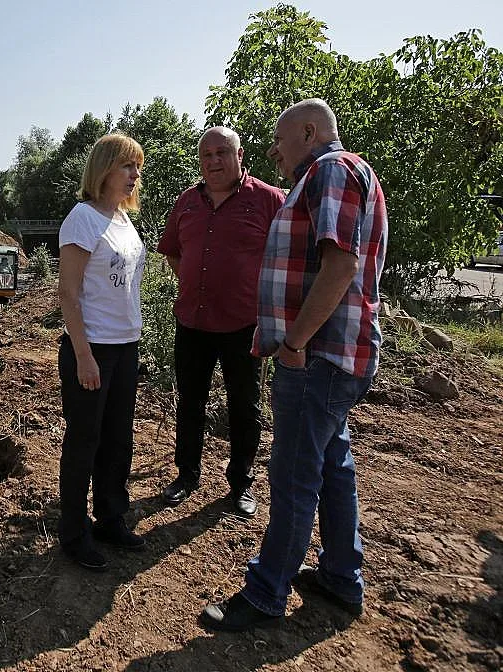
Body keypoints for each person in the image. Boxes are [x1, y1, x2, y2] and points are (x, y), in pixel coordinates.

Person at [202, 98, 388, 630]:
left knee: (292, 476)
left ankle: (266, 592)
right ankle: (340, 575)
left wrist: (295, 343)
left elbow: (340, 264)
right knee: (332, 465)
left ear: (309, 132)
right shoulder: (333, 175)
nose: (273, 152)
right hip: (329, 356)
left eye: (279, 140)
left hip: (317, 357)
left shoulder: (331, 170)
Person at [156, 127, 285, 516]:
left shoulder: (269, 200)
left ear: (239, 155)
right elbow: (173, 251)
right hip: (192, 322)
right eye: (206, 155)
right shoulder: (187, 202)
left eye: (221, 153)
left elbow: (289, 258)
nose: (213, 161)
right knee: (190, 402)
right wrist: (196, 284)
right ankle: (186, 475)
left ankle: (241, 484)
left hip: (243, 325)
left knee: (244, 406)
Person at [57, 133, 147, 571]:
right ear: (104, 169)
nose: (134, 175)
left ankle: (111, 517)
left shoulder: (123, 219)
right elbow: (68, 293)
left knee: (118, 439)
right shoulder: (83, 219)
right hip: (93, 348)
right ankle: (74, 534)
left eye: (137, 167)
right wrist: (84, 355)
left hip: (126, 346)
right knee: (85, 441)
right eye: (126, 166)